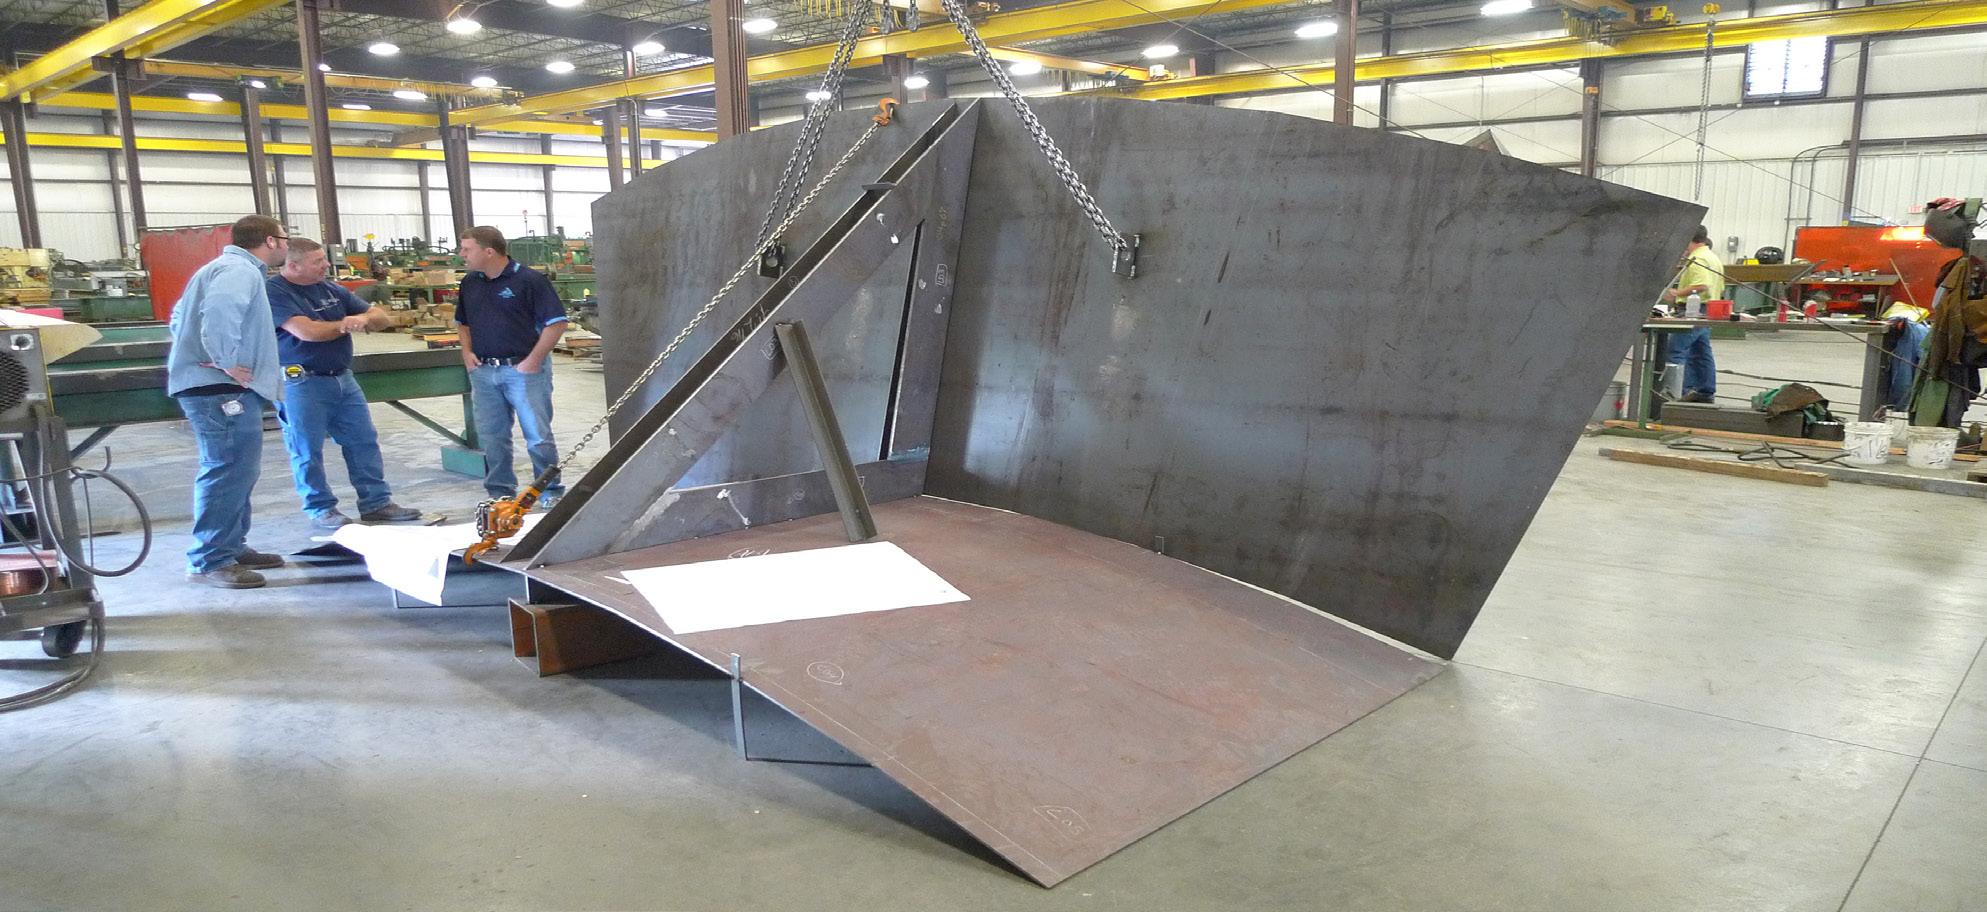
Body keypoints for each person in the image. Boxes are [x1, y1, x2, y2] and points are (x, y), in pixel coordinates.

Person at [266, 238, 424, 529]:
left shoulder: (330, 289)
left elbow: (380, 317)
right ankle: (320, 507)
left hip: (342, 378)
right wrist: (347, 324)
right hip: (301, 382)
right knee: (306, 448)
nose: (327, 264)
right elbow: (307, 332)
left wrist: (362, 318)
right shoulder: (275, 292)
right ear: (294, 265)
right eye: (318, 261)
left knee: (363, 440)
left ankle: (376, 503)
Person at [166, 215, 289, 589]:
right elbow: (219, 313)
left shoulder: (223, 268)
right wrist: (225, 360)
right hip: (219, 389)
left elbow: (178, 317)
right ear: (270, 241)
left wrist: (210, 353)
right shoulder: (239, 271)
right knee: (227, 469)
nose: (287, 245)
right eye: (285, 238)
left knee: (239, 471)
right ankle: (210, 559)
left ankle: (231, 547)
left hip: (222, 386)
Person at [455, 226, 569, 505]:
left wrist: (533, 360)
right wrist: (466, 352)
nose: (462, 254)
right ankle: (500, 493)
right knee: (493, 437)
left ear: (488, 251)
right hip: (484, 372)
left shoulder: (530, 281)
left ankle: (549, 492)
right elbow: (463, 323)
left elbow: (556, 324)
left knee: (538, 436)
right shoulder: (470, 283)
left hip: (523, 372)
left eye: (467, 249)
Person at [1911, 197, 1985, 428]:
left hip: (1961, 340)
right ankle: (1938, 430)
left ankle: (1938, 429)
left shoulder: (1967, 266)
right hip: (1955, 341)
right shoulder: (1964, 266)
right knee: (1944, 386)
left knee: (1946, 385)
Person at [1659, 225, 1724, 403]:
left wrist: (1676, 293)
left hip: (1694, 310)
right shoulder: (1712, 257)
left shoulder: (1698, 258)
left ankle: (1674, 395)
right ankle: (1705, 392)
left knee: (1676, 352)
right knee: (1701, 352)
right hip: (1708, 310)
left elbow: (1701, 284)